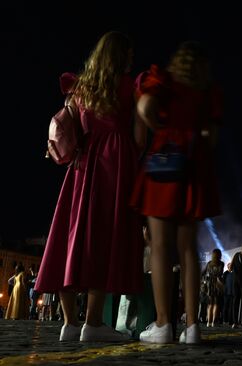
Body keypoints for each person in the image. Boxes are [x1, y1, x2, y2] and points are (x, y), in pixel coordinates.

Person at [35, 31, 143, 342]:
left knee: (72, 238)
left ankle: (70, 323)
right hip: (115, 165)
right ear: (121, 57)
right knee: (104, 238)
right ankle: (93, 323)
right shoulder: (128, 88)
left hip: (82, 167)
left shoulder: (79, 88)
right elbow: (138, 138)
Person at [134, 41, 223, 344]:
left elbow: (144, 105)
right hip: (193, 167)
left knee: (159, 247)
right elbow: (212, 138)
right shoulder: (206, 92)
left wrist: (160, 127)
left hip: (164, 163)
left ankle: (162, 324)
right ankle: (194, 326)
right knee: (188, 250)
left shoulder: (164, 82)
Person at [202, 249, 224, 327]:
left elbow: (203, 272)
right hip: (216, 284)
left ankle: (208, 322)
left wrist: (203, 281)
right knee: (216, 304)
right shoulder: (221, 263)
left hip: (209, 284)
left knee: (210, 304)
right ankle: (214, 322)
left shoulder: (209, 263)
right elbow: (220, 274)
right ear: (220, 255)